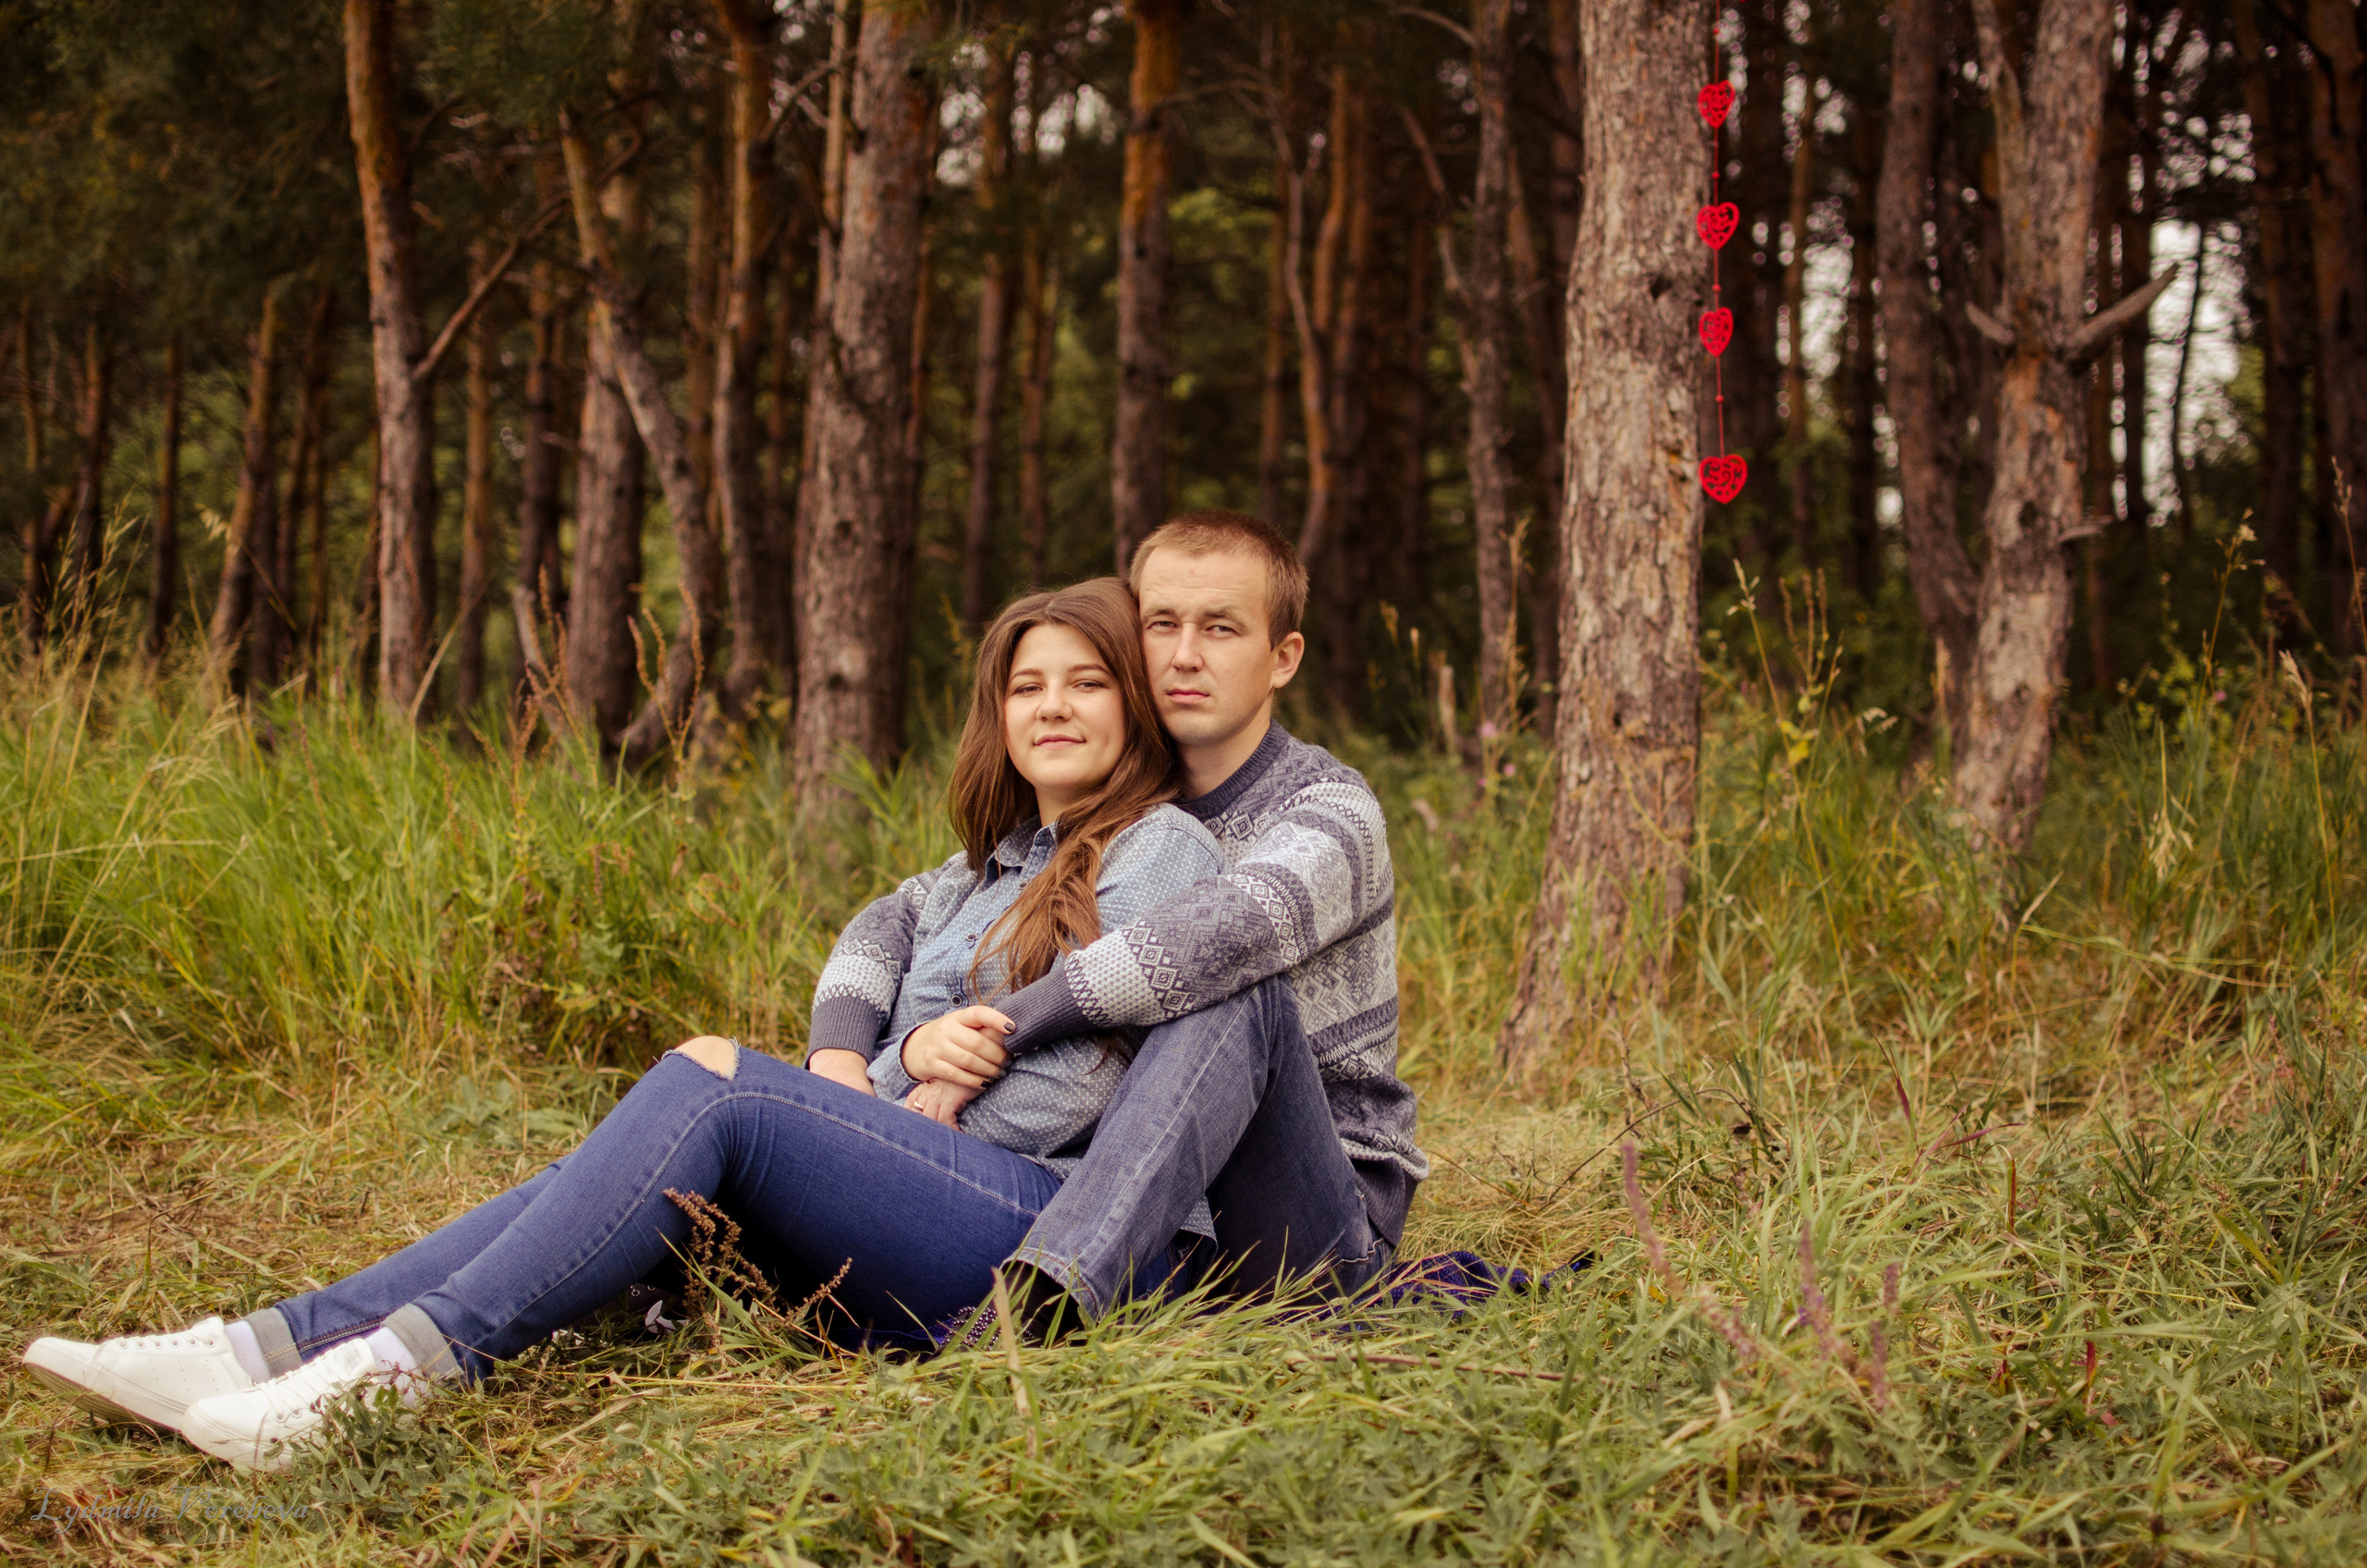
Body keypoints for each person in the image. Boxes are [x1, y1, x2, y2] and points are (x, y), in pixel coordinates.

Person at [23, 579, 1228, 1471]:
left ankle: (384, 1379)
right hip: (927, 1191)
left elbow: (1101, 1073)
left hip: (1046, 1235)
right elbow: (873, 935)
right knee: (631, 1154)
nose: (1054, 706)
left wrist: (924, 1104)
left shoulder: (1165, 849)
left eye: (1087, 681)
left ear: (1135, 703)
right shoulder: (978, 871)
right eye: (1028, 685)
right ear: (997, 714)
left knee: (710, 1086)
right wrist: (853, 1057)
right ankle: (259, 1353)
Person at [828, 509, 1427, 1334]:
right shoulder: (1115, 804)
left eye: (1221, 628)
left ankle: (1037, 1310)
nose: (1184, 655)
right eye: (1161, 625)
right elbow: (894, 919)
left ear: (1282, 657)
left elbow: (1217, 938)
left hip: (1303, 1216)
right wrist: (845, 1062)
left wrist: (998, 1030)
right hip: (1163, 1211)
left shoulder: (1329, 813)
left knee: (1226, 992)